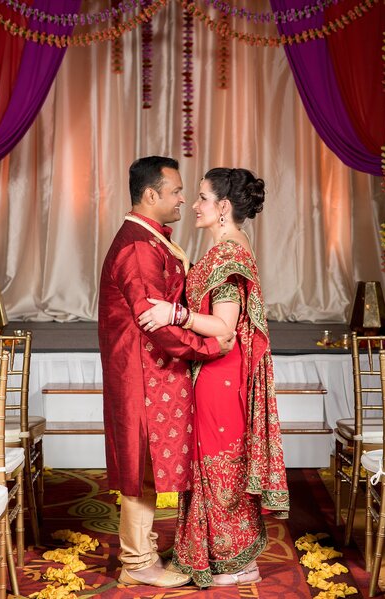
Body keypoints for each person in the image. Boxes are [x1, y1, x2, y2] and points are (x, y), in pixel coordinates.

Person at [138, 167, 290, 587]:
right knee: (213, 459)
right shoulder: (225, 248)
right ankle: (220, 554)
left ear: (223, 207)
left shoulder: (228, 255)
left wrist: (175, 313)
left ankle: (236, 561)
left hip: (220, 371)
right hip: (215, 368)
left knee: (218, 461)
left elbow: (224, 326)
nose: (194, 204)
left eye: (203, 197)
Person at [98, 157, 236, 588]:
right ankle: (137, 561)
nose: (183, 200)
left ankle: (144, 551)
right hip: (142, 372)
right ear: (151, 195)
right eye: (177, 192)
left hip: (153, 371)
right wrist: (210, 346)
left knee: (148, 463)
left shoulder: (152, 239)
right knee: (140, 463)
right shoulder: (139, 247)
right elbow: (153, 324)